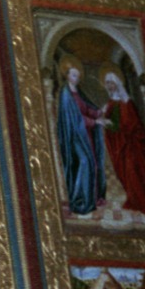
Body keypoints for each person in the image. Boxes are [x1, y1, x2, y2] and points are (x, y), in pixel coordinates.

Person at [101, 70, 145, 219]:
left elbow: (129, 124)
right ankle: (135, 200)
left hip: (131, 145)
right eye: (107, 83)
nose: (109, 86)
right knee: (125, 172)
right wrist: (105, 122)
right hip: (119, 144)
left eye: (111, 83)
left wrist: (109, 124)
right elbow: (111, 123)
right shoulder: (110, 103)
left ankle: (144, 202)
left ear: (117, 84)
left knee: (134, 170)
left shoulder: (126, 102)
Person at [55, 58, 107, 215]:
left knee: (94, 163)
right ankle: (79, 199)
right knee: (85, 162)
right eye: (73, 75)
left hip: (85, 135)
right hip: (74, 137)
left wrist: (98, 112)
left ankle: (92, 197)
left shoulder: (78, 92)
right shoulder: (65, 94)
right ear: (67, 75)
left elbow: (86, 109)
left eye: (77, 75)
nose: (76, 78)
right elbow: (74, 118)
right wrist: (94, 121)